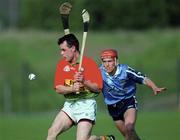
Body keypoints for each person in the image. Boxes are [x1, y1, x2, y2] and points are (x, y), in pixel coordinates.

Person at [47, 34, 115, 140]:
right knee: (51, 133)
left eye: (64, 50)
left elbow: (98, 88)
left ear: (73, 48)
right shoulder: (61, 64)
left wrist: (84, 81)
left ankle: (103, 139)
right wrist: (72, 88)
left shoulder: (89, 64)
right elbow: (58, 88)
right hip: (70, 105)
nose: (61, 53)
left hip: (86, 105)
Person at [99, 49, 166, 140]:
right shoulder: (99, 72)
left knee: (129, 128)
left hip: (128, 102)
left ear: (116, 61)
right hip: (112, 107)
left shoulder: (125, 70)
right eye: (104, 62)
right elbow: (90, 82)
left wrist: (154, 87)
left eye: (110, 61)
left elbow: (143, 78)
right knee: (130, 135)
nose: (107, 64)